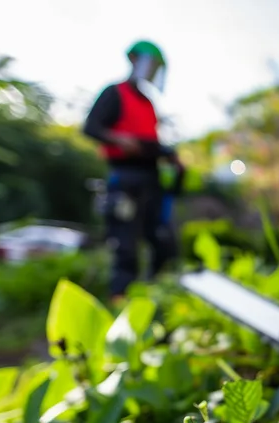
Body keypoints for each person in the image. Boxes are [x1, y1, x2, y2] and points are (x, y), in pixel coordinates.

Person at [83, 40, 185, 303]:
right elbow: (91, 127)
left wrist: (171, 159)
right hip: (125, 177)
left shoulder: (149, 103)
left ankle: (153, 294)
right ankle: (121, 299)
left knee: (162, 239)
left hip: (152, 178)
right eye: (151, 64)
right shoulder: (114, 93)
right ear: (136, 61)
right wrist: (119, 139)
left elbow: (150, 140)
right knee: (125, 243)